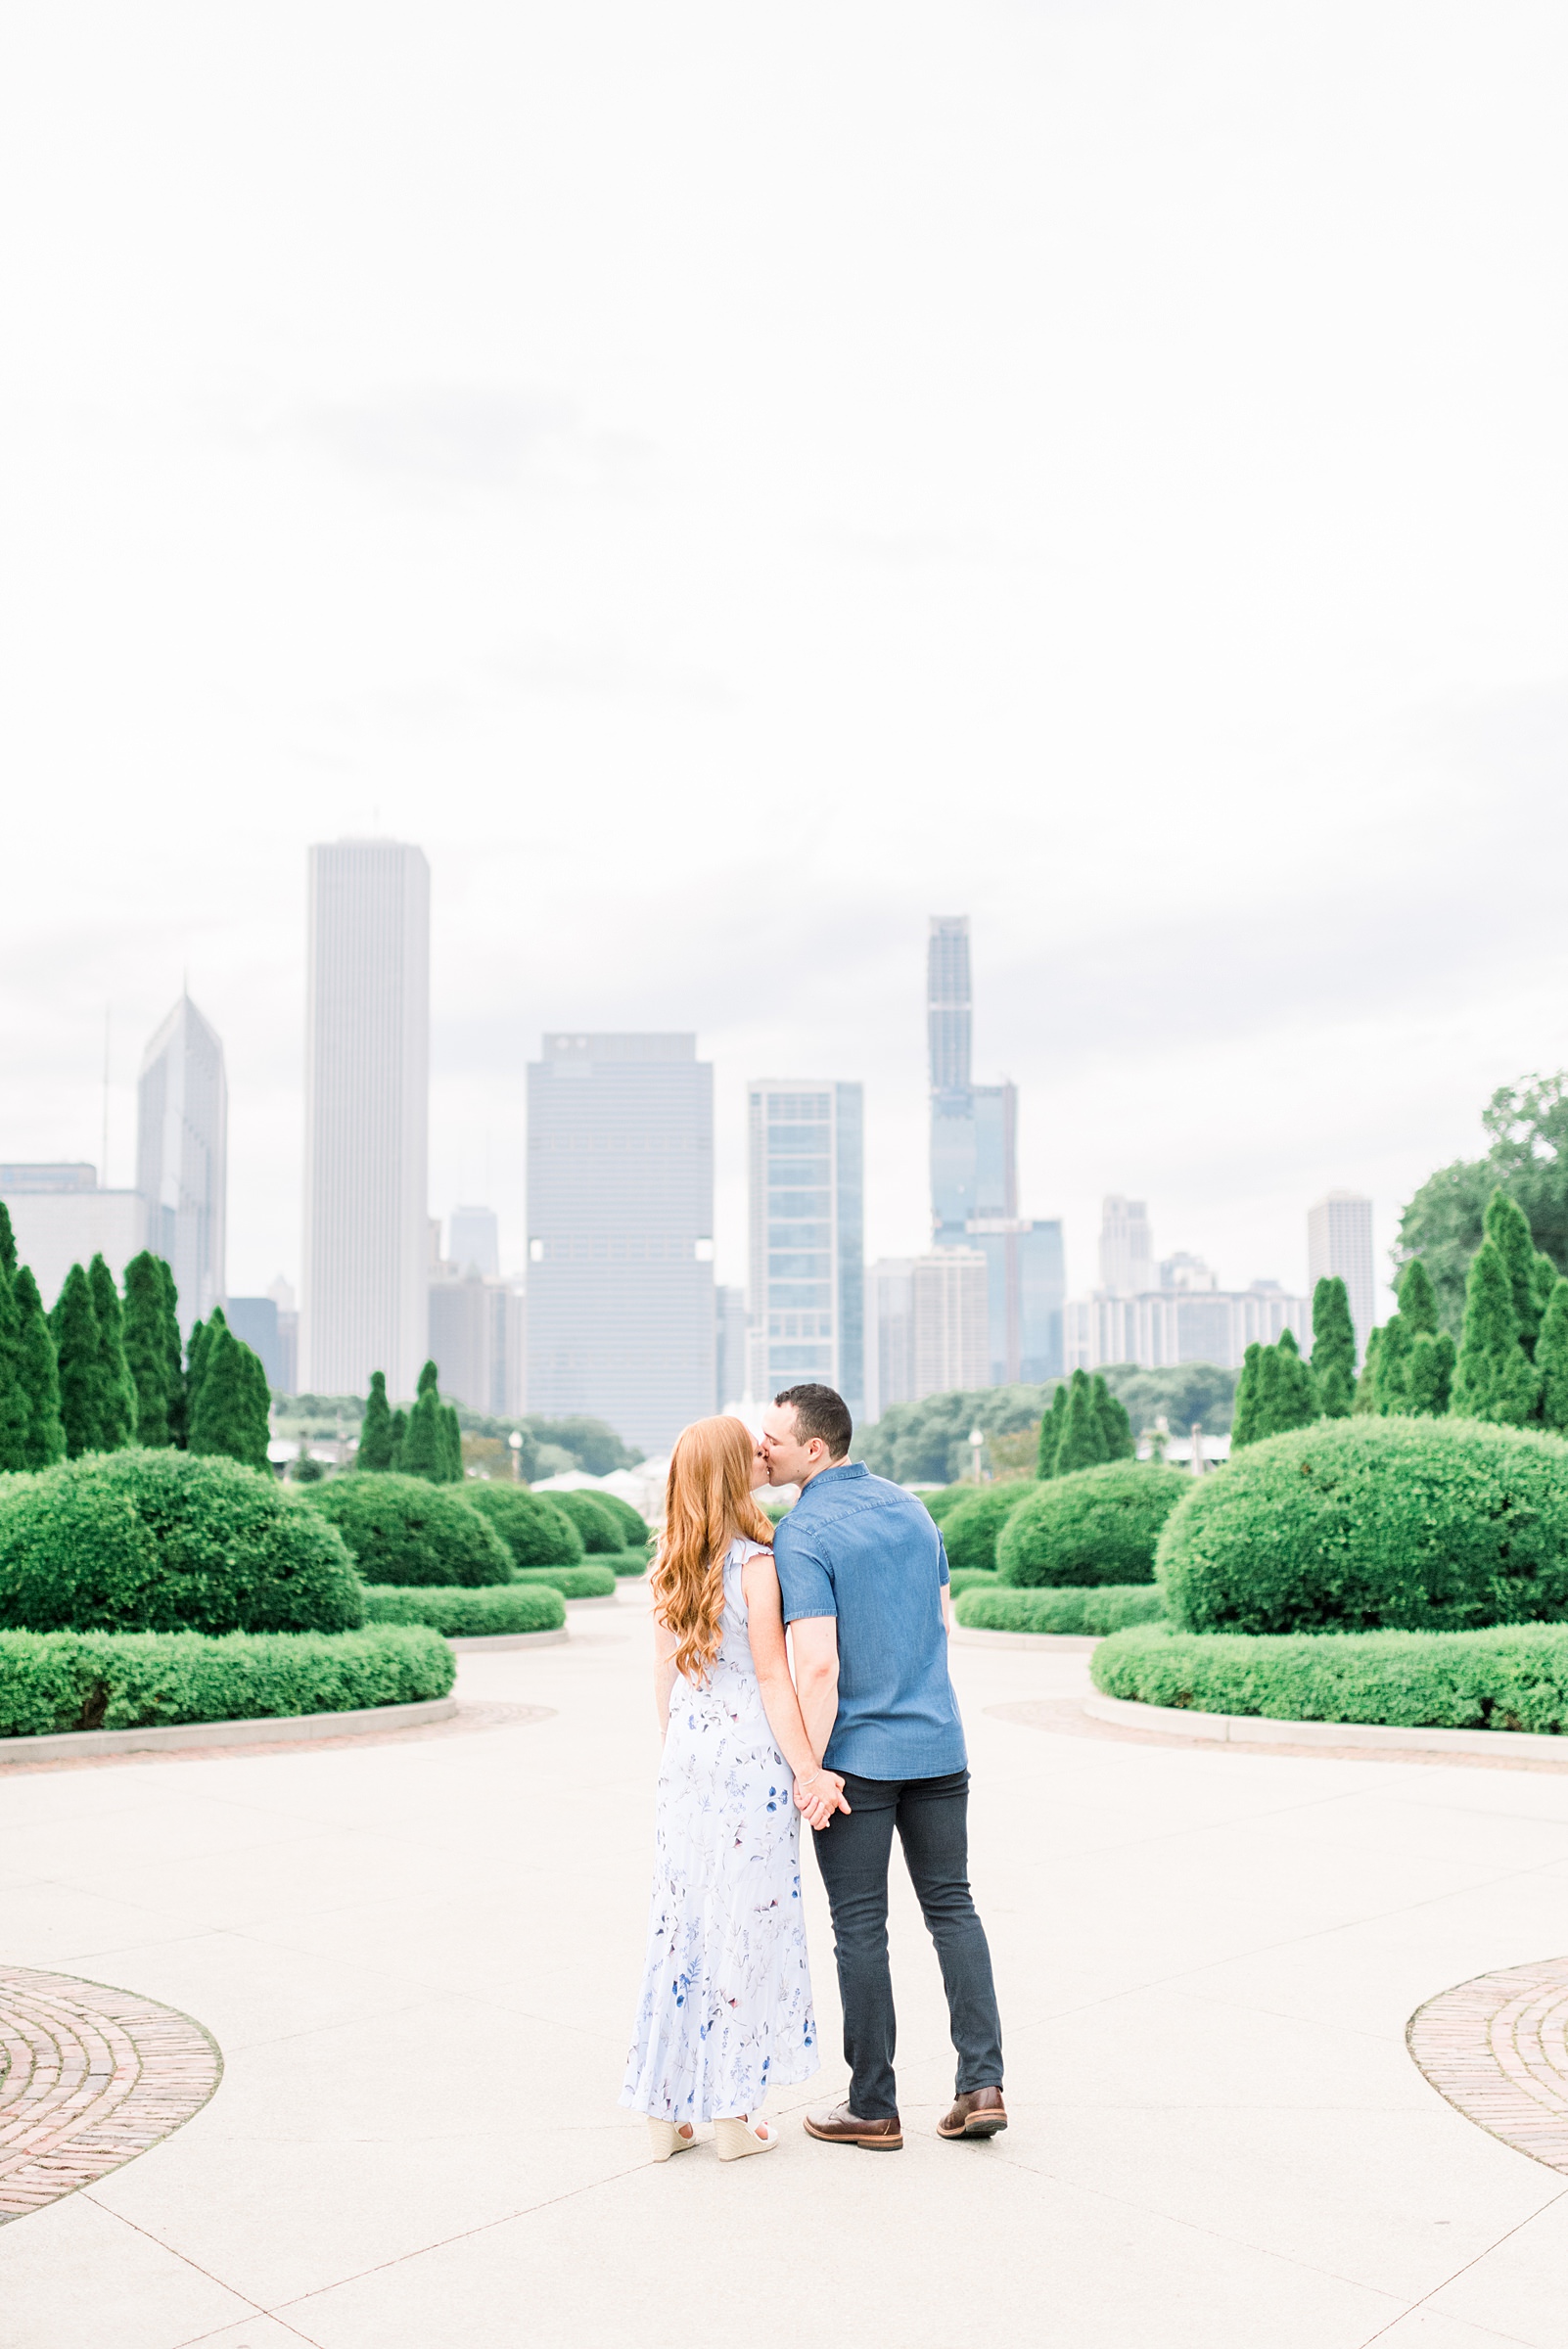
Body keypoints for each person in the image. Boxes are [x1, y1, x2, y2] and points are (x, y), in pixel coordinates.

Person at [764, 1382, 1005, 2152]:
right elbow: (939, 1622)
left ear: (814, 1448)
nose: (761, 1447)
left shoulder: (802, 1532)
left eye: (773, 1437)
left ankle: (872, 2104)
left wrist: (812, 1768)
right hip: (939, 1745)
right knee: (953, 1909)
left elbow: (819, 1669)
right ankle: (982, 2084)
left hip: (855, 1765)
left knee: (860, 1927)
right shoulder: (912, 1508)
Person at [621, 1413, 850, 2163]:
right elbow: (776, 1678)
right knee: (744, 1928)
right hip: (750, 1759)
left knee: (680, 1926)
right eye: (751, 1450)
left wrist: (678, 1752)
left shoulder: (668, 1562)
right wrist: (809, 1768)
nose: (764, 1454)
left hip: (685, 1757)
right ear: (728, 1473)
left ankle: (663, 2116)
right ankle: (731, 2113)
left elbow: (664, 1675)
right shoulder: (757, 1564)